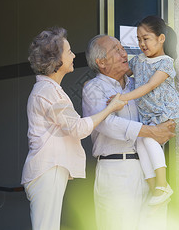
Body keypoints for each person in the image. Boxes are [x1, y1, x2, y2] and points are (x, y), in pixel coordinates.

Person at [21, 27, 126, 230]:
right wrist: (111, 108)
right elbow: (77, 128)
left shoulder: (50, 89)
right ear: (56, 60)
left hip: (49, 169)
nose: (72, 56)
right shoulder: (47, 91)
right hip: (48, 169)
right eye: (68, 52)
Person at [82, 34, 176, 230]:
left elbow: (157, 114)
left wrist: (164, 126)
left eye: (122, 48)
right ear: (101, 62)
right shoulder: (93, 88)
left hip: (148, 169)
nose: (124, 52)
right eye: (116, 50)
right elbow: (107, 123)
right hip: (116, 171)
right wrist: (151, 132)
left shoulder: (138, 85)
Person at [111, 16, 179, 206]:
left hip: (164, 110)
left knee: (150, 140)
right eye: (138, 39)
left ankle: (163, 184)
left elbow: (149, 86)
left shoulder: (165, 63)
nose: (142, 44)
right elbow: (121, 74)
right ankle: (154, 188)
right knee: (141, 143)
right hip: (148, 112)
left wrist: (122, 99)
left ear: (161, 38)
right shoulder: (138, 61)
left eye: (146, 38)